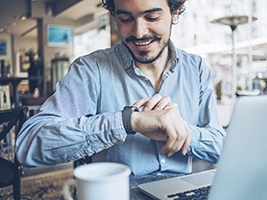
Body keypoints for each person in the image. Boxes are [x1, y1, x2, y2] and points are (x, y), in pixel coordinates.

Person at [16, 0, 225, 177]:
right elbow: (29, 145)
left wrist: (181, 132)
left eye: (151, 17)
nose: (138, 32)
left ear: (174, 12)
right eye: (125, 19)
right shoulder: (91, 70)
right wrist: (128, 122)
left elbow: (220, 148)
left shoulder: (196, 69)